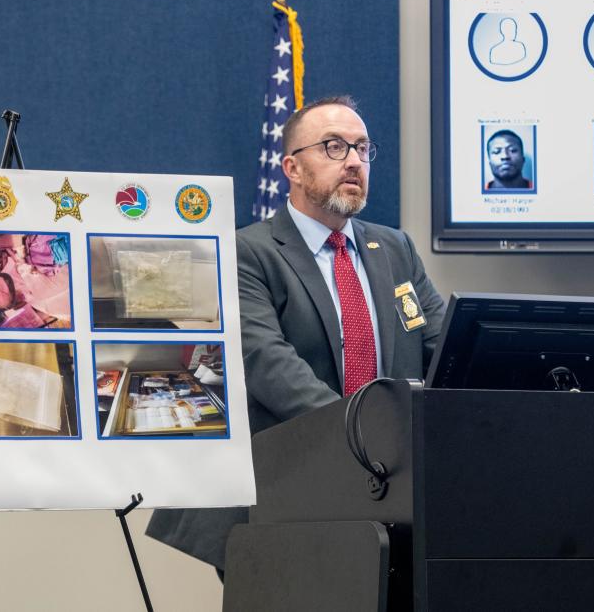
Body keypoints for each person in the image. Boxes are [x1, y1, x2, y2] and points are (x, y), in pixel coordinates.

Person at [145, 95, 446, 578]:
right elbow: (271, 365)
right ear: (292, 167)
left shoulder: (395, 247)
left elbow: (440, 347)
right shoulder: (246, 252)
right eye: (333, 147)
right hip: (284, 491)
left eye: (363, 149)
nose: (353, 161)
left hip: (390, 496)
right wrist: (373, 440)